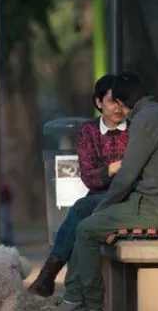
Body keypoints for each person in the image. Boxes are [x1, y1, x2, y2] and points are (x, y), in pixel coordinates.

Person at [34, 72, 158, 311]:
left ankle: (90, 309)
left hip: (156, 208)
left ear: (120, 101)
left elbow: (125, 177)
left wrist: (102, 209)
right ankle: (72, 301)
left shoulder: (143, 121)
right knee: (85, 215)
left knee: (86, 228)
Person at [28, 74, 129, 296]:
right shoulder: (88, 130)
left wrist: (112, 172)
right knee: (81, 222)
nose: (118, 108)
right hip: (99, 200)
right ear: (98, 102)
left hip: (126, 198)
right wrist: (113, 168)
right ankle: (73, 298)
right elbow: (89, 177)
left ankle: (51, 278)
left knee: (80, 214)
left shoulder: (135, 129)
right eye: (112, 101)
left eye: (123, 101)